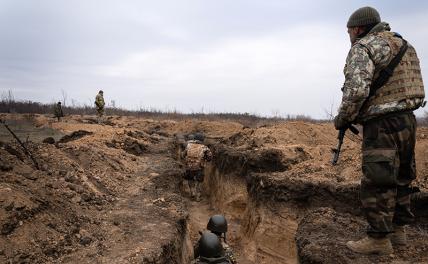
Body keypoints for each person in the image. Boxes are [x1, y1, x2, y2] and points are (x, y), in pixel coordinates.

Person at [334, 6, 425, 255]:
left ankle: (378, 240)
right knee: (402, 176)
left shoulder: (364, 47)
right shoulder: (403, 45)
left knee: (378, 180)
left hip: (382, 125)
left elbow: (356, 91)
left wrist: (342, 119)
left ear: (360, 28)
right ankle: (398, 232)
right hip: (407, 120)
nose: (350, 35)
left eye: (350, 30)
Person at [182, 132, 212, 201]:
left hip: (189, 167)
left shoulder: (188, 146)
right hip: (199, 168)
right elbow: (210, 157)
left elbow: (183, 155)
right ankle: (198, 196)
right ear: (202, 140)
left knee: (190, 179)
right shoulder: (204, 148)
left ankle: (192, 192)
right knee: (199, 181)